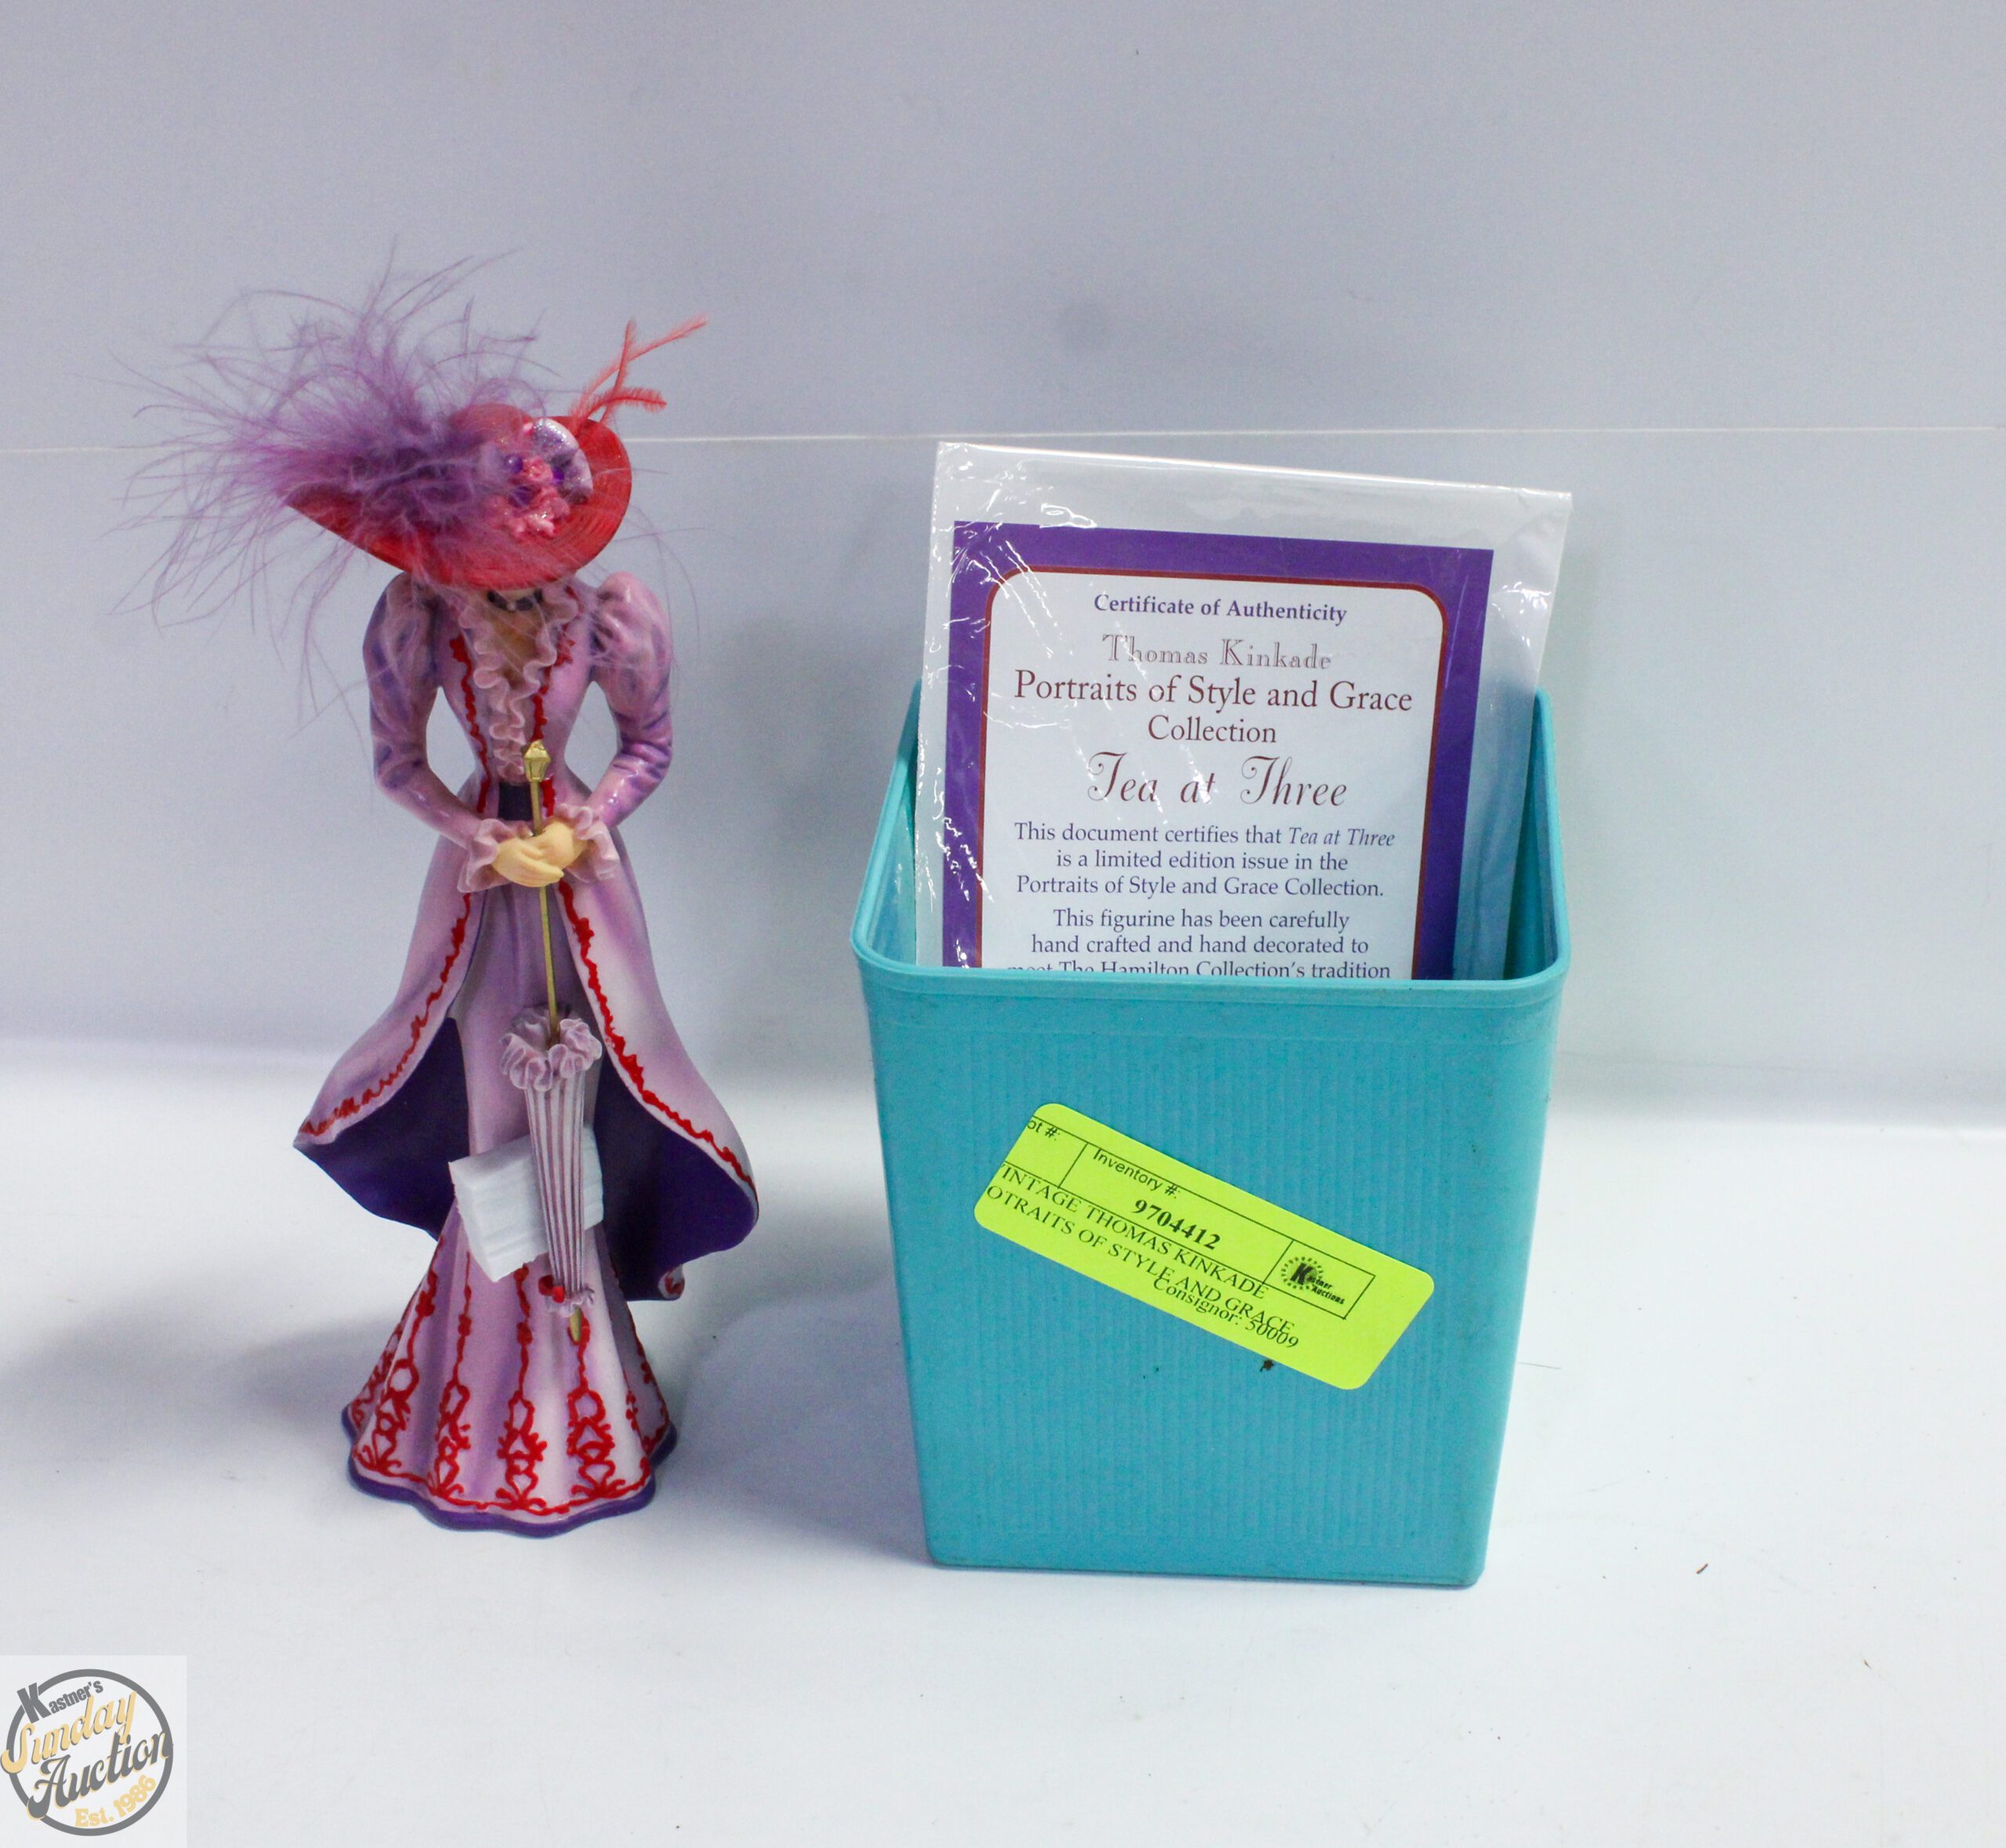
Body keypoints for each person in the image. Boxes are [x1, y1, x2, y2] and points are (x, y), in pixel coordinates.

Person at [145, 277, 757, 1532]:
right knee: (496, 1097)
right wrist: (477, 832)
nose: (513, 589)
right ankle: (492, 1358)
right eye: (491, 569)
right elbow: (396, 763)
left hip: (581, 886)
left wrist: (586, 821)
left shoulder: (612, 616)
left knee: (595, 1079)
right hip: (483, 889)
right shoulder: (420, 621)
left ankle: (583, 1347)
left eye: (527, 568)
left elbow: (648, 745)